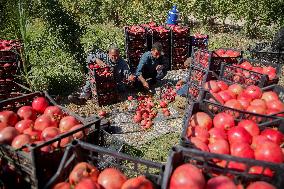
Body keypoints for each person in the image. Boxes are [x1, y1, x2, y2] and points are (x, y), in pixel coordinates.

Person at [68, 45, 135, 102]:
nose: (115, 58)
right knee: (91, 82)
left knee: (120, 88)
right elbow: (89, 57)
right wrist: (96, 60)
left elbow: (127, 73)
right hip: (99, 80)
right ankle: (83, 97)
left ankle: (103, 96)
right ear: (108, 54)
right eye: (113, 56)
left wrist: (130, 77)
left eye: (117, 55)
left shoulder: (122, 62)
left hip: (113, 82)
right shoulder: (103, 56)